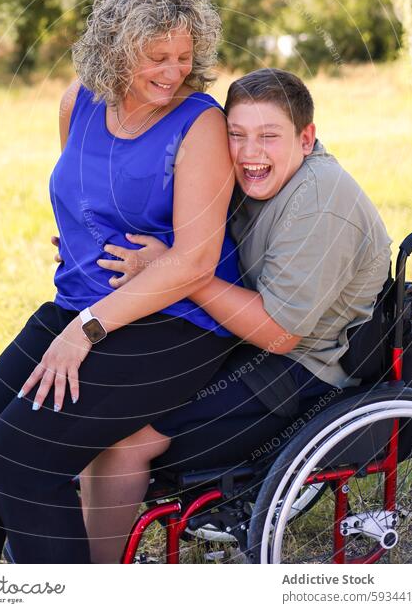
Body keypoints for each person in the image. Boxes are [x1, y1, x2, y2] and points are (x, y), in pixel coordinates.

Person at [0, 0, 242, 564]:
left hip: (171, 324)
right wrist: (81, 237)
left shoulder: (200, 124)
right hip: (75, 303)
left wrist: (87, 330)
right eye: (156, 57)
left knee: (20, 458)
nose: (173, 71)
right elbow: (79, 186)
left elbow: (196, 261)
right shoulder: (78, 101)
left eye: (183, 57)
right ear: (115, 49)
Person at [77, 67, 392, 563]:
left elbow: (280, 333)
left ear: (306, 138)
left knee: (126, 439)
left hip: (302, 372)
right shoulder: (254, 177)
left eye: (269, 136)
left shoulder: (319, 203)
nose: (250, 153)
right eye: (236, 134)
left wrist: (178, 268)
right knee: (104, 406)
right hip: (233, 338)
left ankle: (94, 578)